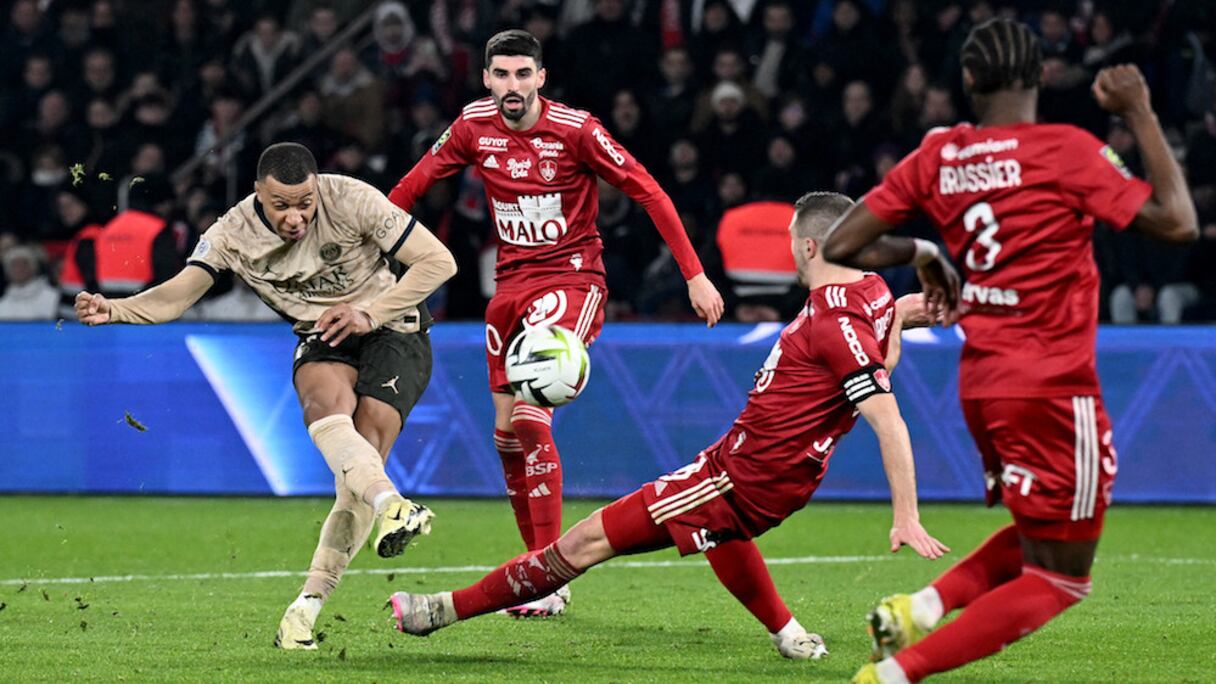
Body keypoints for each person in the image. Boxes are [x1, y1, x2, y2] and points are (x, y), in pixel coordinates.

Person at [387, 192, 948, 659]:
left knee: (581, 545)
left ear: (808, 246)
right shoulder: (871, 291)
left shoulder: (833, 321)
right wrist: (926, 307)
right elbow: (893, 317)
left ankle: (438, 610)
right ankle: (788, 634)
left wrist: (906, 516)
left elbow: (889, 418)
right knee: (717, 530)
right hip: (767, 472)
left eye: (791, 245)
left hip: (741, 474)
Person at [818, 20, 1198, 684]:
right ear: (1042, 75)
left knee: (1042, 530)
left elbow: (841, 246)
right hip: (1052, 385)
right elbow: (1178, 221)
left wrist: (927, 253)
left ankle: (920, 609)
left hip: (983, 383)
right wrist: (1139, 111)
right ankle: (896, 674)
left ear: (967, 81)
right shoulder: (1067, 150)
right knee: (1062, 577)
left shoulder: (939, 157)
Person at [388, 29, 724, 617]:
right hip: (509, 291)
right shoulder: (472, 126)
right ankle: (545, 575)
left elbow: (649, 192)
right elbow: (410, 189)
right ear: (487, 79)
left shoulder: (577, 131)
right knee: (504, 436)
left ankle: (544, 576)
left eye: (523, 74)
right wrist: (364, 247)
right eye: (502, 75)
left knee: (529, 414)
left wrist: (694, 275)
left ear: (540, 77)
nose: (512, 86)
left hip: (571, 281)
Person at [73, 142, 459, 651]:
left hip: (395, 327)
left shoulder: (353, 200)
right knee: (326, 415)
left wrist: (369, 312)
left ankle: (308, 604)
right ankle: (391, 505)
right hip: (324, 334)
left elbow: (439, 262)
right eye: (282, 205)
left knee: (358, 469)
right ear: (258, 193)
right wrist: (117, 308)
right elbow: (180, 292)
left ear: (318, 187)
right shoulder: (232, 232)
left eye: (305, 203)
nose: (296, 217)